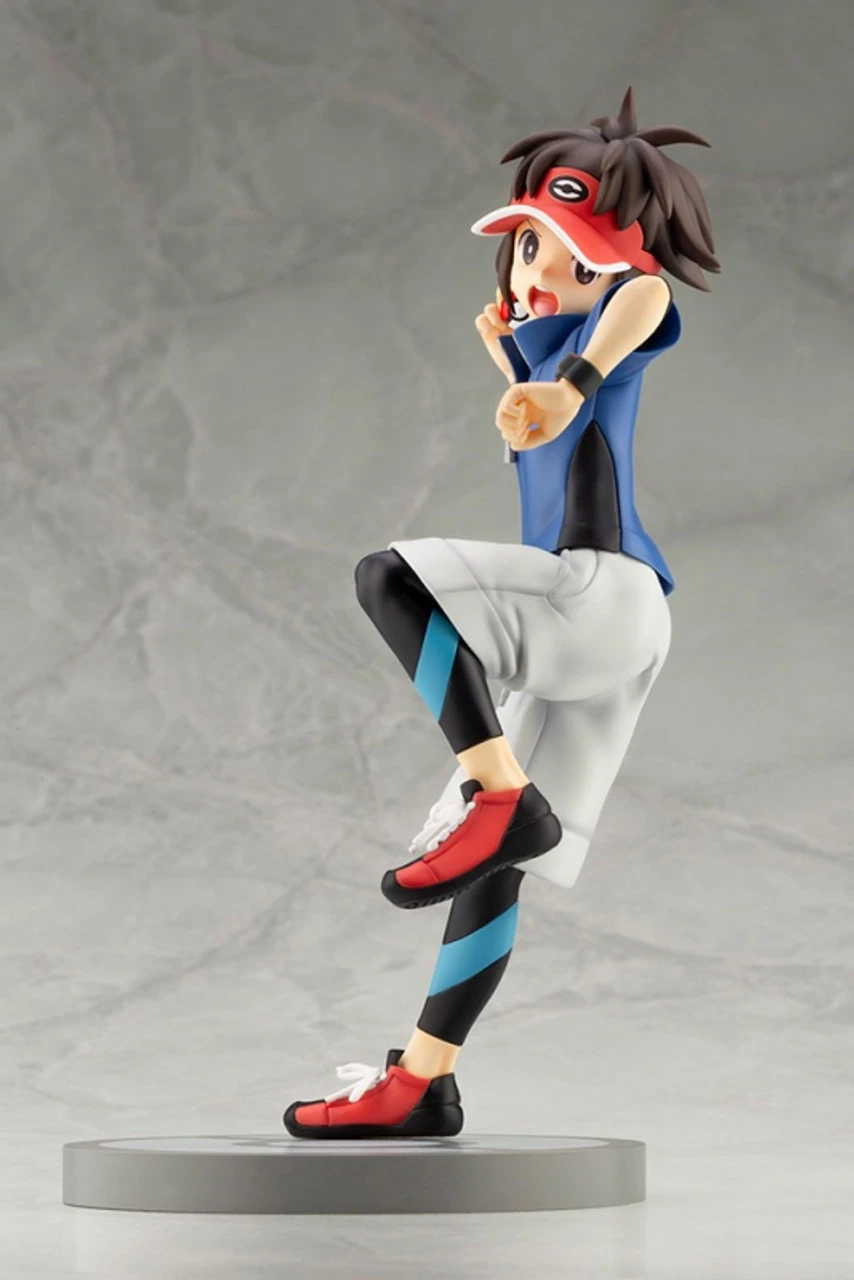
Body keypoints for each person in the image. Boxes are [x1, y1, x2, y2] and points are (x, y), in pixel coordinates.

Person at [284, 87, 720, 1139]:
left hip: (599, 592)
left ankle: (499, 790)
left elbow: (643, 295)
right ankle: (423, 1081)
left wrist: (570, 376)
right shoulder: (540, 354)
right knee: (498, 874)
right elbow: (543, 381)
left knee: (389, 578)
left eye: (565, 256)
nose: (535, 272)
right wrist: (520, 357)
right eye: (527, 248)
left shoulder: (620, 324)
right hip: (619, 635)